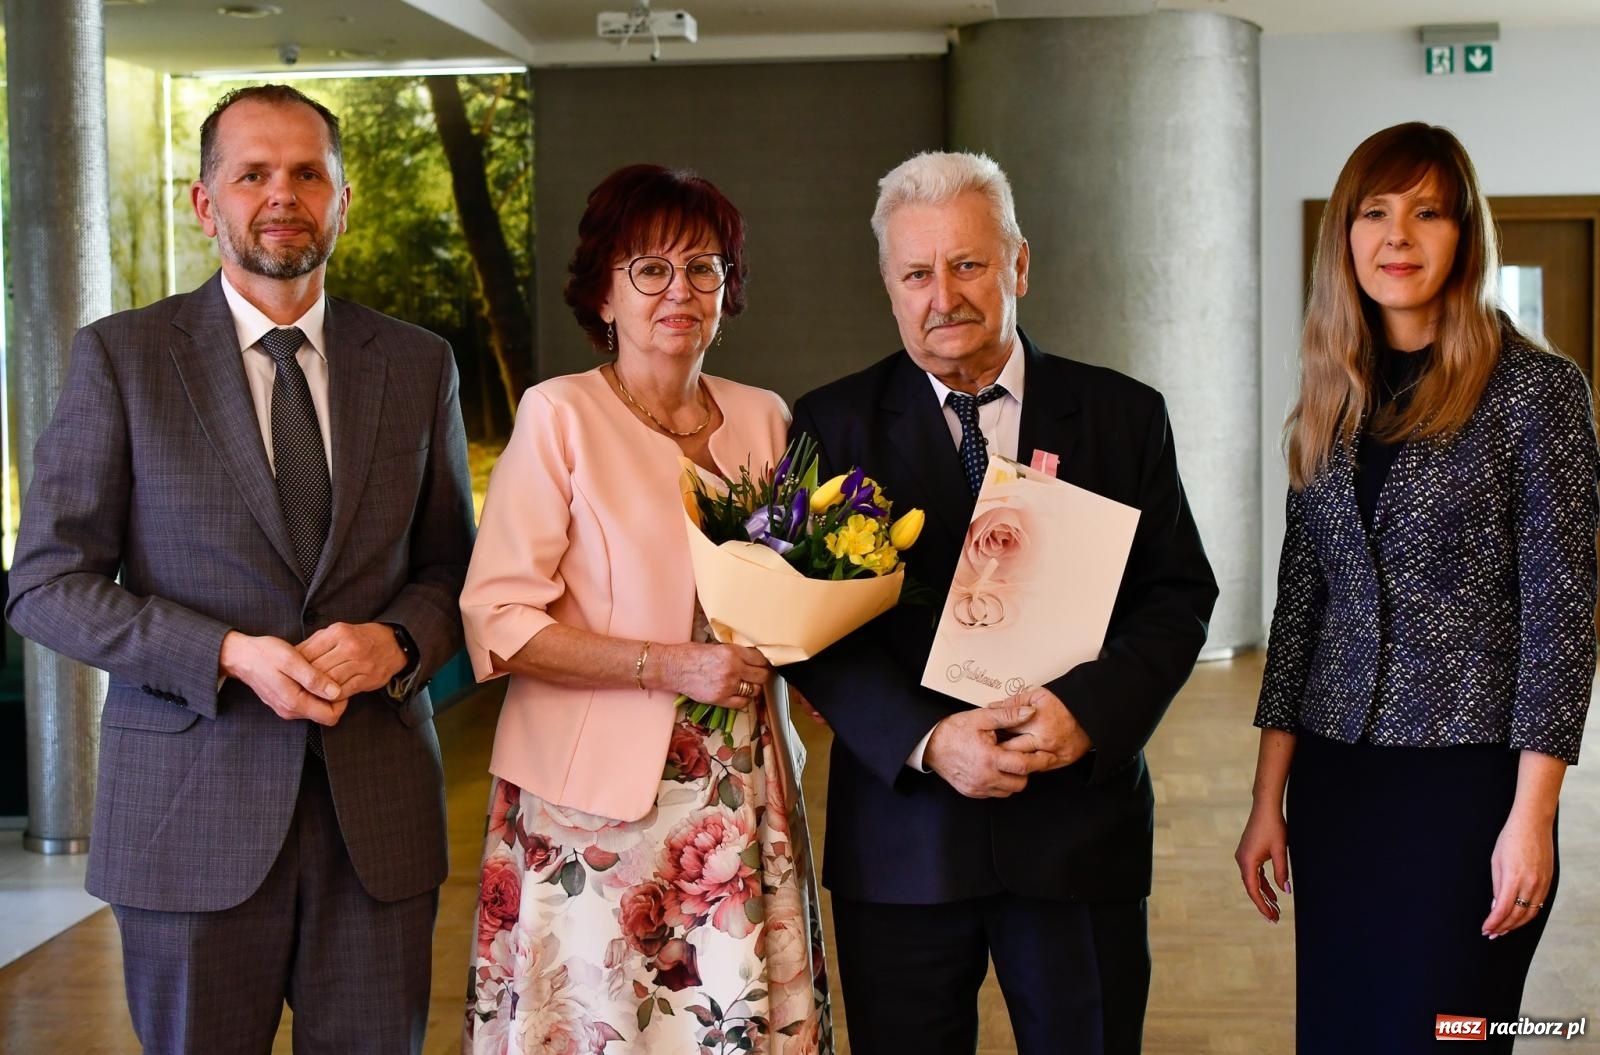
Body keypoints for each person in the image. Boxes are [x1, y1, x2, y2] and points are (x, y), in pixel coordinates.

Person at [5, 84, 475, 1052]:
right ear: (204, 202)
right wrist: (223, 652)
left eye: (308, 173)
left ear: (343, 200)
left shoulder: (420, 365)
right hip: (188, 821)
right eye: (252, 173)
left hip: (375, 826)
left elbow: (453, 571)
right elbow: (46, 582)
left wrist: (395, 640)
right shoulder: (122, 361)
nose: (281, 194)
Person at [784, 151, 1217, 1055]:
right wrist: (928, 739)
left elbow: (1177, 595)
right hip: (903, 844)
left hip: (1076, 834)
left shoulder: (1122, 416)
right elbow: (807, 629)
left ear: (1019, 263)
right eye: (917, 272)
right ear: (889, 285)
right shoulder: (830, 426)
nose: (944, 294)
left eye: (969, 263)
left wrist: (1089, 716)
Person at [1236, 122, 1599, 1053]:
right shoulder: (1333, 395)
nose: (1398, 237)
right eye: (1376, 212)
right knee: (1344, 1031)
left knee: (1452, 1033)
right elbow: (1302, 604)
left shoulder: (1538, 391)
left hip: (1468, 789)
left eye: (1427, 212)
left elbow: (1562, 619)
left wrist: (1533, 819)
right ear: (1345, 239)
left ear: (1465, 234)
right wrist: (1268, 796)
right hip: (1338, 782)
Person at [458, 164, 831, 1054]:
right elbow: (498, 617)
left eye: (705, 268)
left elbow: (798, 590)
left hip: (740, 786)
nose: (682, 291)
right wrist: (666, 663)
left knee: (729, 1025)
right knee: (600, 1029)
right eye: (650, 269)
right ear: (604, 292)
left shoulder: (765, 417)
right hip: (590, 806)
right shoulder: (561, 415)